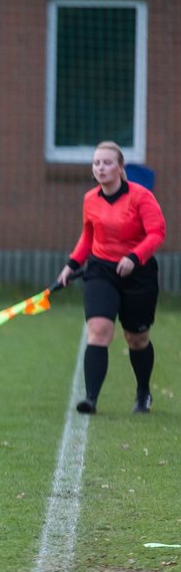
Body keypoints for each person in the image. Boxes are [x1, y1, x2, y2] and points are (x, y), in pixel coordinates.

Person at [56, 140, 167, 414]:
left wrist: (134, 257)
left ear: (120, 167)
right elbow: (88, 236)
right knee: (98, 331)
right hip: (100, 271)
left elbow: (157, 232)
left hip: (138, 274)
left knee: (137, 339)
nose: (101, 168)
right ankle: (90, 399)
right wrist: (72, 265)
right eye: (96, 163)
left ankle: (143, 393)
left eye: (107, 162)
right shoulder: (90, 199)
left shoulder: (141, 196)